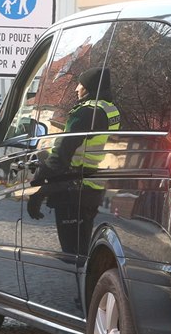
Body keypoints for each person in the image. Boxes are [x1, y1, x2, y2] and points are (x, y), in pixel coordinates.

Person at [27, 68, 120, 255]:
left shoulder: (85, 112)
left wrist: (37, 190)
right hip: (94, 186)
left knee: (72, 252)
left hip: (74, 188)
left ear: (88, 88)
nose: (76, 88)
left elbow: (60, 155)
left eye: (80, 84)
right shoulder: (111, 110)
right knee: (84, 247)